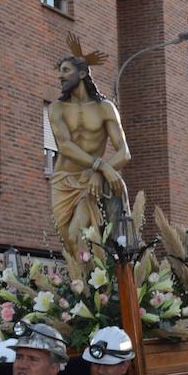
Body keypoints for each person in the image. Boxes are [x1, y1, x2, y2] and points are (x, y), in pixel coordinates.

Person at [48, 37, 131, 272]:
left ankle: (94, 294)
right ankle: (89, 291)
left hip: (90, 184)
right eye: (60, 71)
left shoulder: (105, 108)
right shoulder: (57, 109)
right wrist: (102, 167)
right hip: (63, 182)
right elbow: (65, 146)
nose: (60, 76)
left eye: (65, 70)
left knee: (77, 238)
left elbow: (124, 152)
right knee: (70, 248)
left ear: (82, 73)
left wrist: (98, 172)